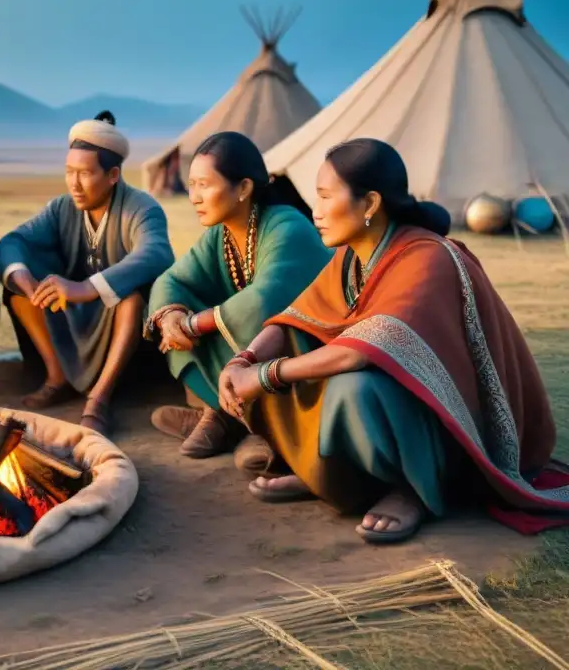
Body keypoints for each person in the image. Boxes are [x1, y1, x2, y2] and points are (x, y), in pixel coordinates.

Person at [217, 137, 568, 544]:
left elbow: (359, 351)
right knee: (297, 344)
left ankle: (413, 489)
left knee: (354, 387)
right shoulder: (352, 256)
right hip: (397, 408)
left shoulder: (428, 257)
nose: (315, 211)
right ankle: (326, 472)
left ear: (369, 204)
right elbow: (293, 319)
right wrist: (243, 360)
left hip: (456, 432)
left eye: (326, 197)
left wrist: (264, 376)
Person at [146, 132, 330, 459]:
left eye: (205, 184)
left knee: (224, 325)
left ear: (243, 188)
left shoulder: (288, 226)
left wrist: (193, 325)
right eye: (191, 185)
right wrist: (173, 317)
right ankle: (225, 415)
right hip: (252, 356)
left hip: (305, 357)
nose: (195, 197)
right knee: (174, 315)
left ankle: (256, 427)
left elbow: (264, 301)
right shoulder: (221, 233)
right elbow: (173, 279)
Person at [0, 111, 175, 437]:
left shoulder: (142, 207)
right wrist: (26, 281)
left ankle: (99, 399)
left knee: (131, 299)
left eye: (86, 173)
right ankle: (56, 377)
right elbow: (12, 242)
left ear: (113, 175)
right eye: (69, 172)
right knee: (18, 293)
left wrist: (86, 288)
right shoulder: (61, 208)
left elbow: (157, 253)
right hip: (72, 314)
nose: (75, 184)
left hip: (124, 328)